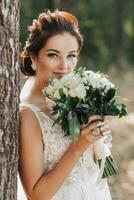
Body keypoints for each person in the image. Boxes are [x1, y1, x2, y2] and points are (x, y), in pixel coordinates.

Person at [19, 10, 112, 200]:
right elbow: (36, 195)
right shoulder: (28, 114)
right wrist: (78, 146)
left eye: (71, 56)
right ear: (33, 58)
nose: (64, 66)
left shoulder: (79, 98)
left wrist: (99, 140)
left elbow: (105, 170)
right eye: (53, 55)